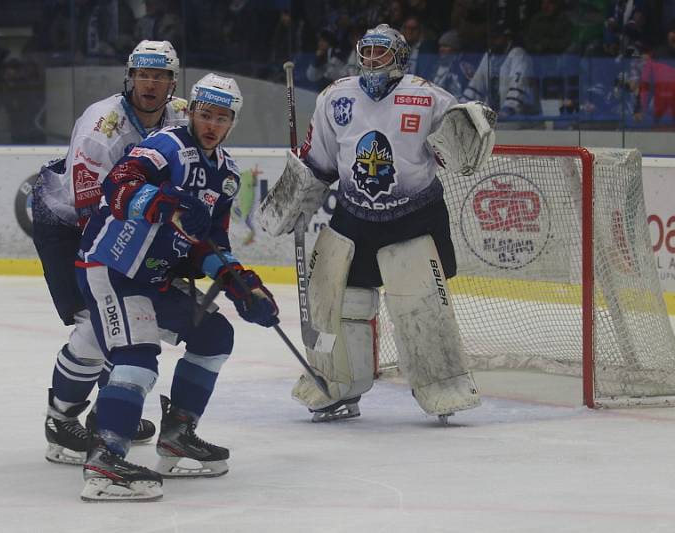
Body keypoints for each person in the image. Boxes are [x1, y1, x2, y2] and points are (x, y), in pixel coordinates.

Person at [258, 24, 495, 423]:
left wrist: (469, 133)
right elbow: (320, 161)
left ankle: (443, 383)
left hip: (415, 216)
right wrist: (293, 198)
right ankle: (336, 384)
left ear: (399, 58)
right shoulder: (336, 98)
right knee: (338, 303)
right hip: (354, 214)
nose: (371, 59)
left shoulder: (427, 97)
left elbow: (456, 155)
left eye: (381, 52)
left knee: (419, 302)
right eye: (366, 51)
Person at [75, 73, 279, 502]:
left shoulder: (225, 175)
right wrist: (161, 203)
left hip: (155, 277)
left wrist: (239, 283)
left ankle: (177, 434)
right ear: (192, 113)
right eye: (205, 114)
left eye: (221, 118)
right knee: (137, 357)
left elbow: (210, 245)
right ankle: (106, 456)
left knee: (215, 334)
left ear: (231, 123)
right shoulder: (167, 145)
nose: (211, 124)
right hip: (112, 268)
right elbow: (119, 184)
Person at [33, 40, 189, 466]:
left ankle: (108, 412)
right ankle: (61, 420)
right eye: (143, 74)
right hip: (69, 224)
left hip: (133, 227)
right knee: (98, 320)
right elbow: (89, 214)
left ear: (172, 81)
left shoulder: (181, 114)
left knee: (135, 317)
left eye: (159, 76)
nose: (150, 84)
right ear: (129, 77)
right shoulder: (102, 126)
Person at [461, 21, 540, 121]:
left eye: (496, 38)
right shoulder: (489, 55)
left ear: (507, 38)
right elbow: (476, 85)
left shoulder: (518, 54)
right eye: (490, 38)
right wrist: (462, 107)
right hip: (496, 117)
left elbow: (518, 86)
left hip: (520, 116)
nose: (491, 41)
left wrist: (508, 109)